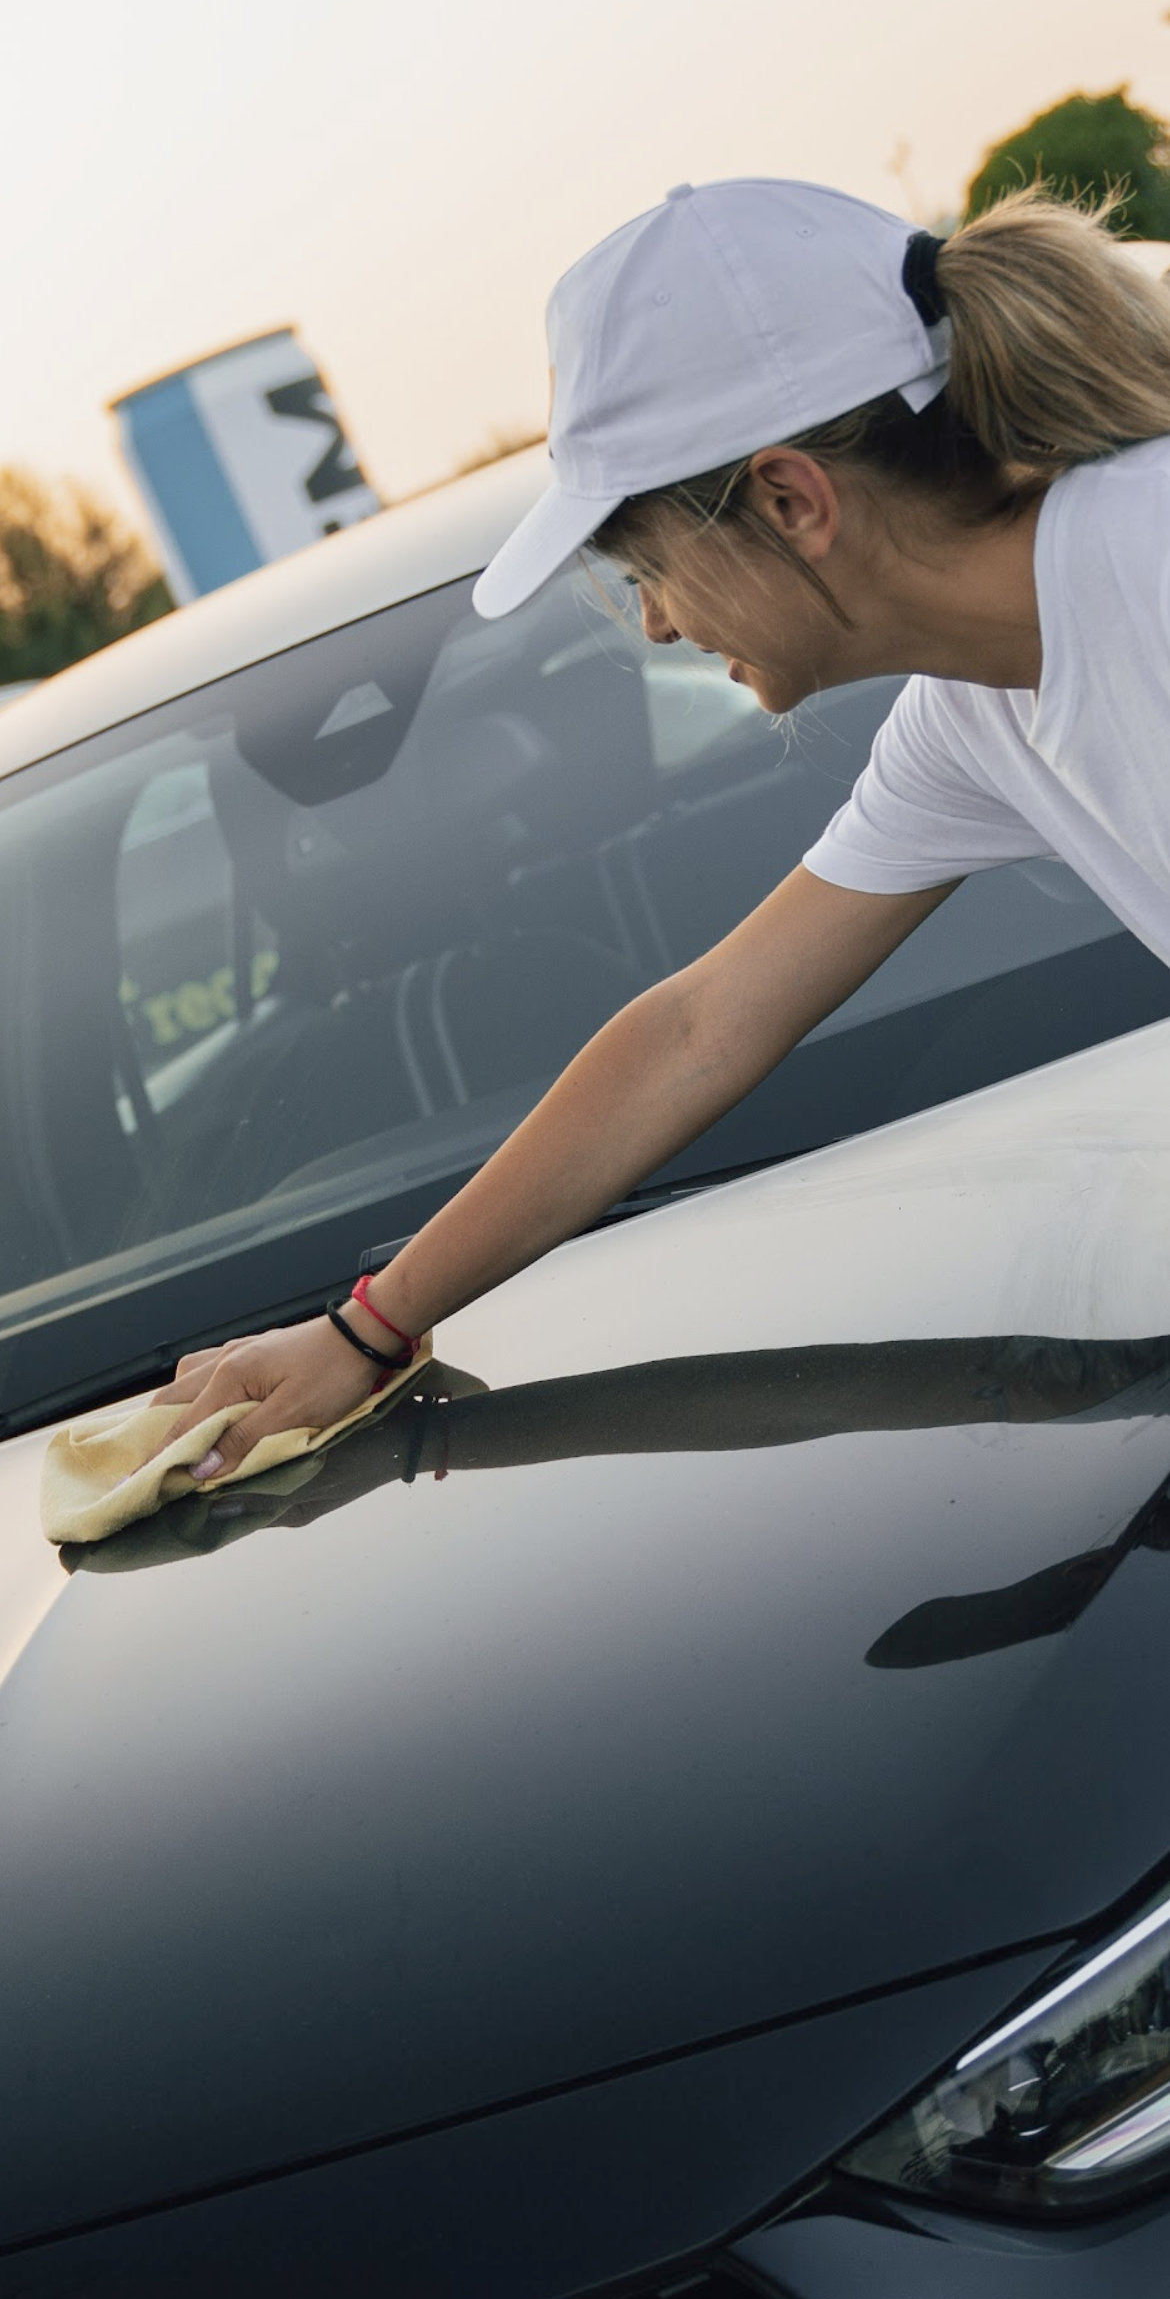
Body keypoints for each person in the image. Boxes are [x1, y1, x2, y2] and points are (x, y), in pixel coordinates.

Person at [152, 175, 1170, 1482]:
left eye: (646, 567)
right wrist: (369, 1329)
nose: (655, 623)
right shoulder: (972, 720)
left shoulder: (1145, 561)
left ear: (792, 501)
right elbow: (700, 1028)